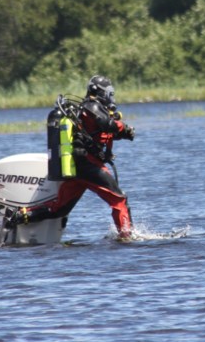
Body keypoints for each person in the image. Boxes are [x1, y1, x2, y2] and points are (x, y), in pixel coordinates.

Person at [18, 75, 136, 239]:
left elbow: (101, 133)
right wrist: (124, 126)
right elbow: (107, 125)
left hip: (78, 166)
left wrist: (124, 133)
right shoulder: (91, 106)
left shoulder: (90, 110)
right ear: (98, 91)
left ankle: (18, 216)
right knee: (119, 200)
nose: (111, 98)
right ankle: (127, 238)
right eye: (109, 94)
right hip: (89, 165)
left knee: (59, 209)